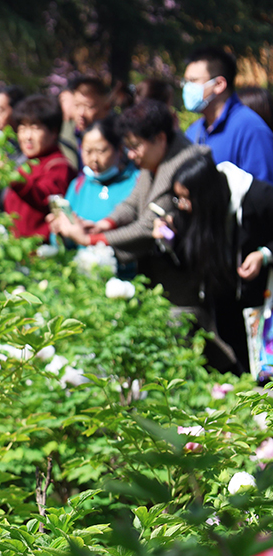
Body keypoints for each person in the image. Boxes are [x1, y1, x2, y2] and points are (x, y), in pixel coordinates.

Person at [50, 99, 207, 306]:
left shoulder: (186, 166)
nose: (131, 155)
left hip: (185, 279)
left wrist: (90, 240)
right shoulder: (154, 156)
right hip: (158, 273)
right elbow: (132, 203)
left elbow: (147, 226)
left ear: (159, 138)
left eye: (134, 147)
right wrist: (102, 224)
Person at [156, 155, 273, 374]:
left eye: (186, 199)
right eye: (178, 199)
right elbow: (187, 258)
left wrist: (263, 255)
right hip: (226, 301)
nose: (182, 206)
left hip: (262, 302)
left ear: (205, 196)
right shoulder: (196, 210)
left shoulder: (258, 197)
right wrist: (167, 240)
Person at [183, 46, 273, 183]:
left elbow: (264, 195)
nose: (187, 88)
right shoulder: (194, 131)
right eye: (185, 81)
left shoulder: (251, 130)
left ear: (219, 84)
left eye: (193, 81)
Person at [4, 95, 76, 240]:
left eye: (35, 128)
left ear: (54, 132)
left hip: (40, 253)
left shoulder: (59, 166)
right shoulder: (28, 163)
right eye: (22, 128)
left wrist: (12, 176)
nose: (27, 136)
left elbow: (44, 197)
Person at [62, 116, 140, 230]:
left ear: (119, 149)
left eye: (100, 151)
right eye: (88, 151)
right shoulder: (78, 186)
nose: (94, 159)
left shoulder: (137, 181)